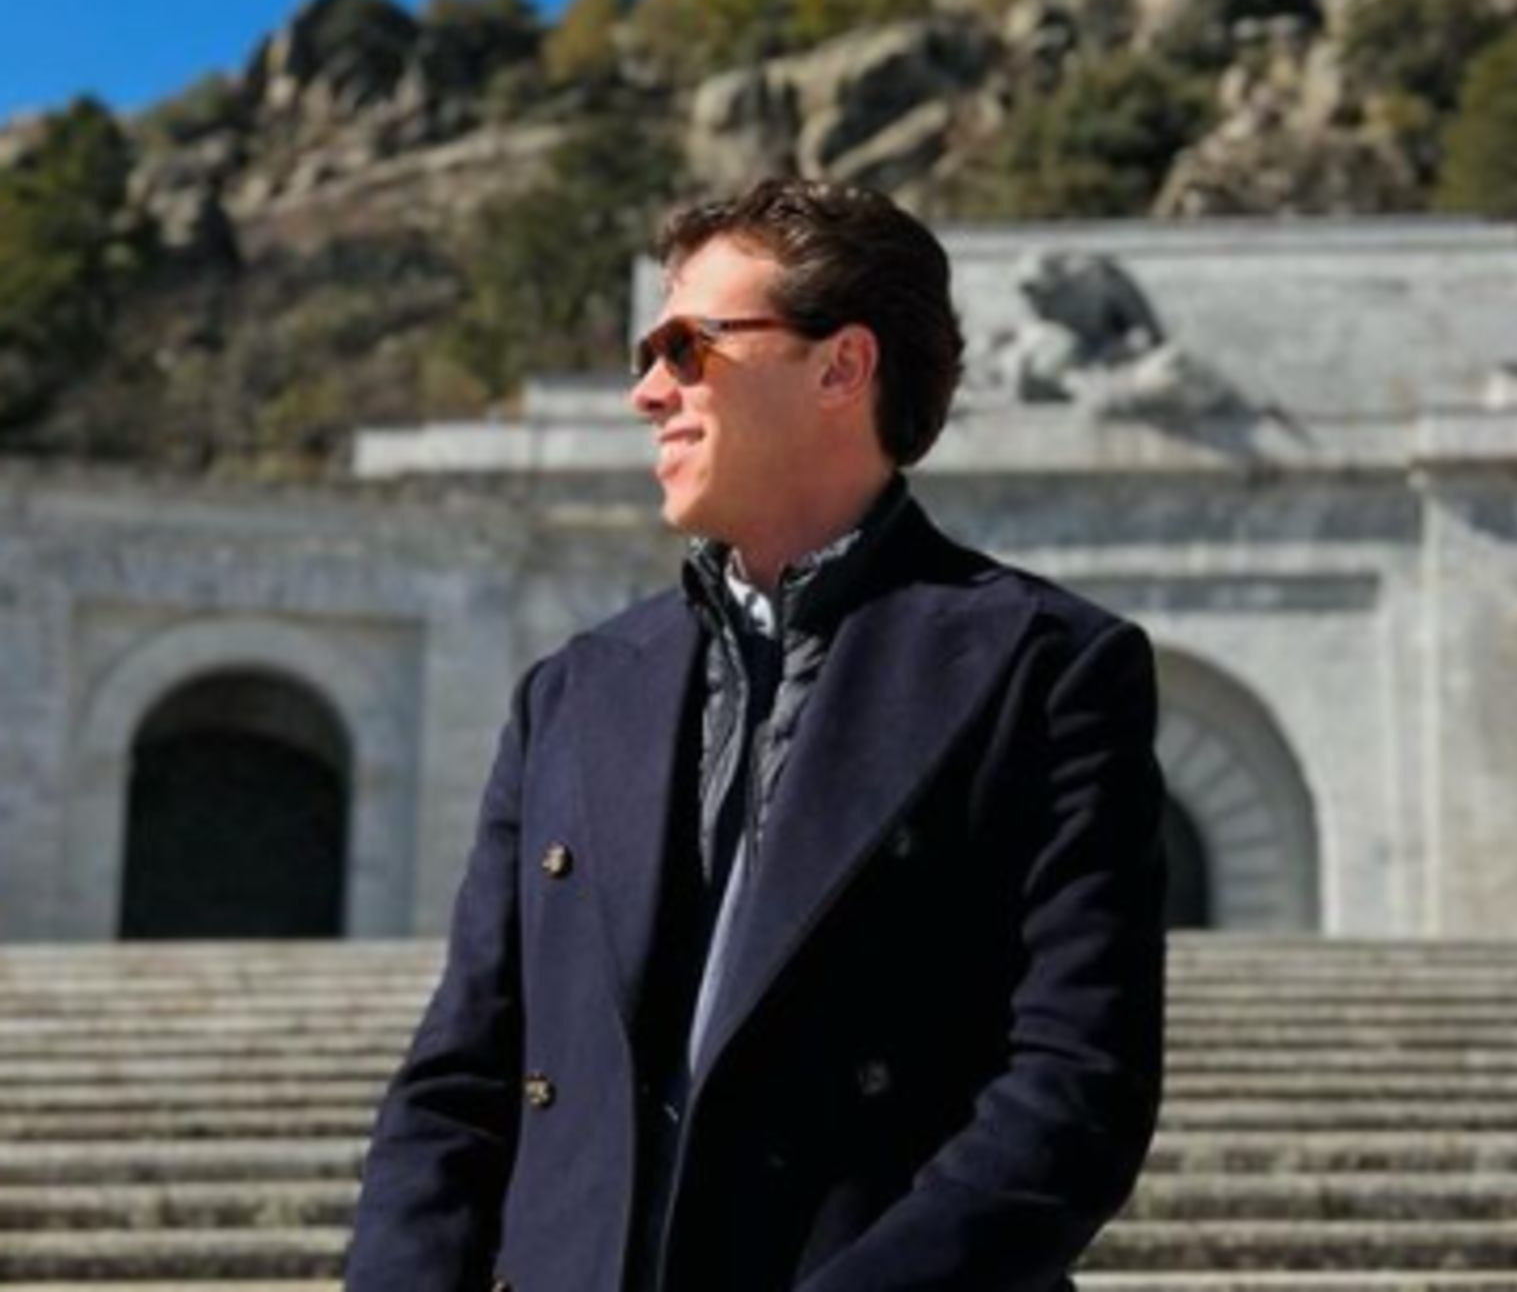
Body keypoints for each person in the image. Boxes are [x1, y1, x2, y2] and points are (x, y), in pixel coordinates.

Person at [346, 176, 1167, 1292]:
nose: (646, 391)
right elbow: (461, 1077)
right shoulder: (572, 692)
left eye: (689, 346)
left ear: (842, 366)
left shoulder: (1045, 668)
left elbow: (1073, 1092)